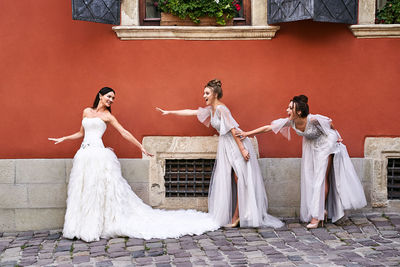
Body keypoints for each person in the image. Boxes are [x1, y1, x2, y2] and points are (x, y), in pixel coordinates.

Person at [48, 87, 219, 242]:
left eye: (113, 98)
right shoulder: (86, 111)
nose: (111, 100)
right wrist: (64, 138)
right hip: (84, 155)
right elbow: (80, 133)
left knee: (98, 191)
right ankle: (80, 226)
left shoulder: (108, 116)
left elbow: (124, 133)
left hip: (99, 156)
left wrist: (141, 147)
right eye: (109, 96)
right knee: (84, 190)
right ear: (100, 96)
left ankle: (95, 226)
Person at [156, 79, 284, 229]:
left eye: (207, 93)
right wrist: (170, 112)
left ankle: (238, 216)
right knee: (237, 179)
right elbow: (192, 112)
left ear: (215, 94)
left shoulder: (222, 109)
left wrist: (242, 149)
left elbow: (233, 130)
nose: (204, 96)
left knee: (241, 179)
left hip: (236, 145)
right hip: (226, 146)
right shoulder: (212, 109)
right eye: (204, 93)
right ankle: (238, 215)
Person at [237, 95, 367, 228]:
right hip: (311, 147)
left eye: (290, 108)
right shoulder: (291, 122)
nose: (286, 110)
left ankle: (316, 217)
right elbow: (268, 128)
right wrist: (247, 133)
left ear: (298, 112)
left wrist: (338, 137)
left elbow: (330, 123)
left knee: (320, 179)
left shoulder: (314, 120)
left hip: (326, 145)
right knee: (311, 179)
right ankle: (322, 210)